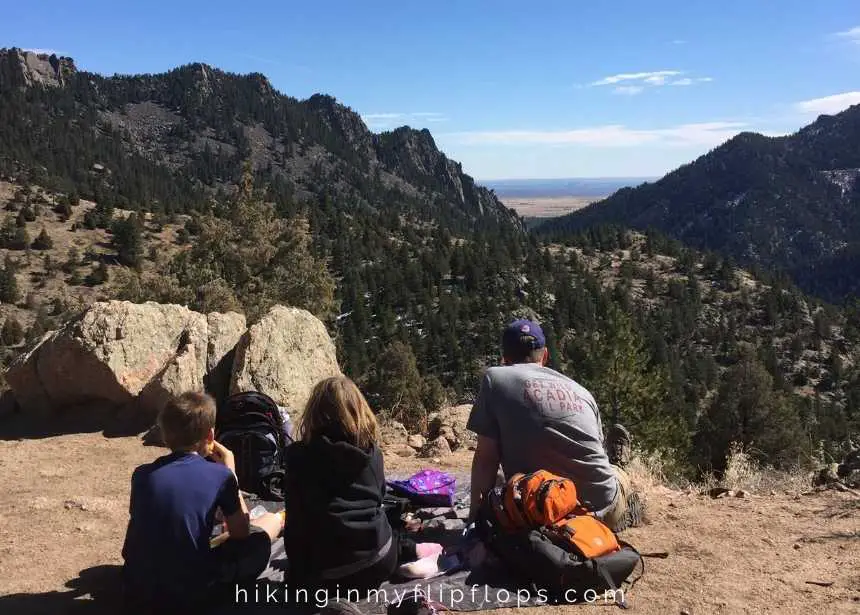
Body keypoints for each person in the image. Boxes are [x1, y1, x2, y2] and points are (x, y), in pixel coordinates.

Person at [467, 319, 641, 531]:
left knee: (503, 479)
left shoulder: (495, 378)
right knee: (613, 471)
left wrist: (475, 523)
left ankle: (619, 466)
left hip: (542, 512)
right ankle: (619, 469)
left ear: (504, 357)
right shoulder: (581, 391)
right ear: (546, 355)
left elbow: (486, 461)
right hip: (602, 511)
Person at [122, 392, 284, 611]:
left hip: (138, 587)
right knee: (265, 529)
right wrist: (231, 474)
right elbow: (241, 532)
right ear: (210, 436)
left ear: (165, 435)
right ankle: (280, 521)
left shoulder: (141, 474)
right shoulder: (219, 476)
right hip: (190, 595)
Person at [285, 376, 442, 600]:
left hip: (323, 577)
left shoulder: (298, 456)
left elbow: (296, 521)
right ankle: (413, 551)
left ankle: (411, 551)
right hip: (377, 563)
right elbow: (378, 500)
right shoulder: (371, 452)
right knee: (377, 521)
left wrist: (298, 569)